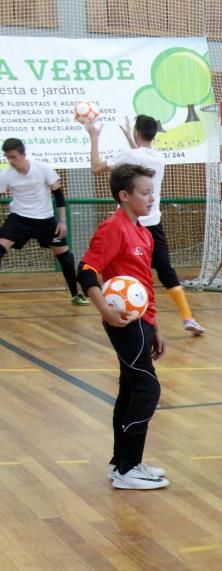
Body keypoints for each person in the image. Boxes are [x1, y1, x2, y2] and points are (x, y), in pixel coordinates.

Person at [77, 164, 168, 490]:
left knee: (131, 388)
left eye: (152, 191)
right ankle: (128, 469)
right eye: (145, 192)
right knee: (147, 388)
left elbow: (145, 283)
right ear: (124, 196)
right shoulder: (112, 228)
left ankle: (123, 463)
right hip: (123, 323)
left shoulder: (143, 231)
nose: (151, 197)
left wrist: (155, 324)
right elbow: (86, 271)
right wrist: (105, 309)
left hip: (142, 323)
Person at [85, 116, 206, 336]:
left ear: (137, 133)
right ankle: (187, 317)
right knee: (165, 271)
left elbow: (96, 168)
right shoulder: (158, 158)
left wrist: (94, 137)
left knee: (123, 274)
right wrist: (131, 138)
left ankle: (119, 311)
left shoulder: (128, 155)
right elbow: (138, 159)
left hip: (133, 226)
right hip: (154, 224)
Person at [0, 138, 87, 305]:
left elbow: (58, 194)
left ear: (23, 154)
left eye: (13, 157)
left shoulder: (43, 169)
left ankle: (76, 294)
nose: (10, 161)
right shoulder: (5, 176)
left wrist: (62, 221)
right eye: (7, 157)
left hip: (45, 220)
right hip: (19, 219)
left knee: (65, 257)